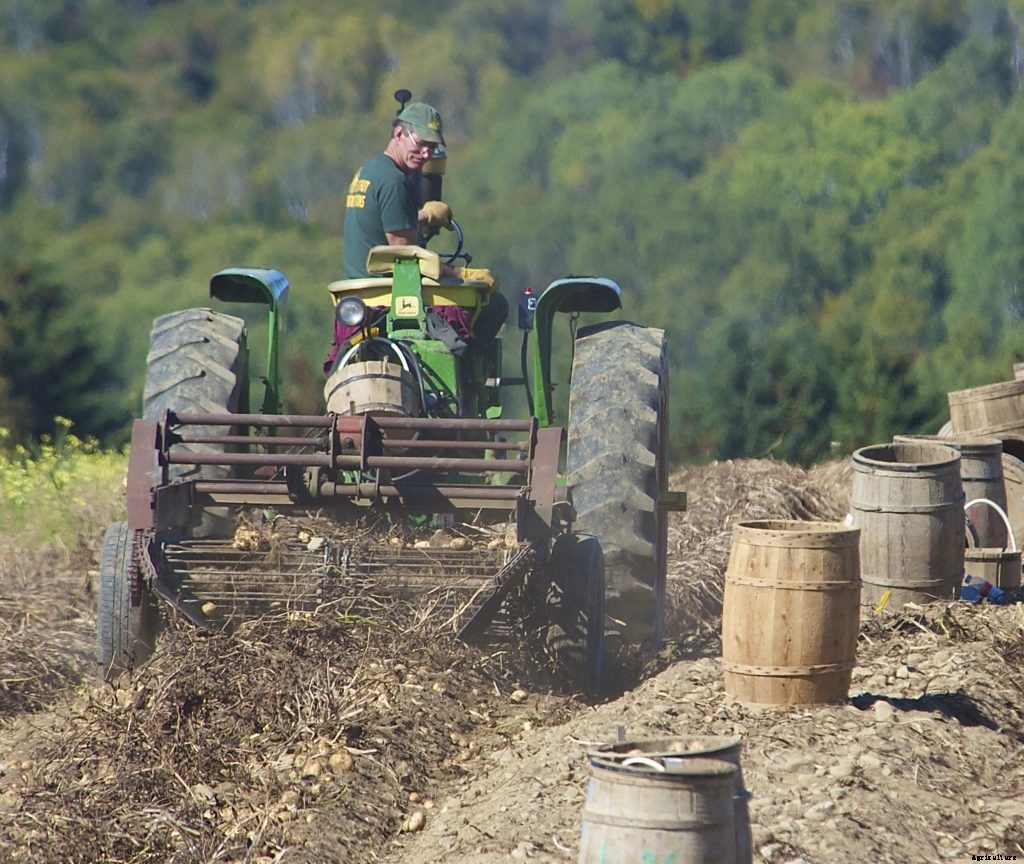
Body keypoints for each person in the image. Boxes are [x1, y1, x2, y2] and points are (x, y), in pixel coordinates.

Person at [339, 101, 508, 345]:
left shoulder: (369, 171)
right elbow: (407, 259)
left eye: (432, 147)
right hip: (390, 294)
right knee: (495, 305)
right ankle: (465, 377)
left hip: (359, 288)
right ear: (399, 133)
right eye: (421, 144)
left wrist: (424, 217)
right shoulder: (394, 181)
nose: (427, 154)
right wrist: (461, 273)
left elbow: (384, 223)